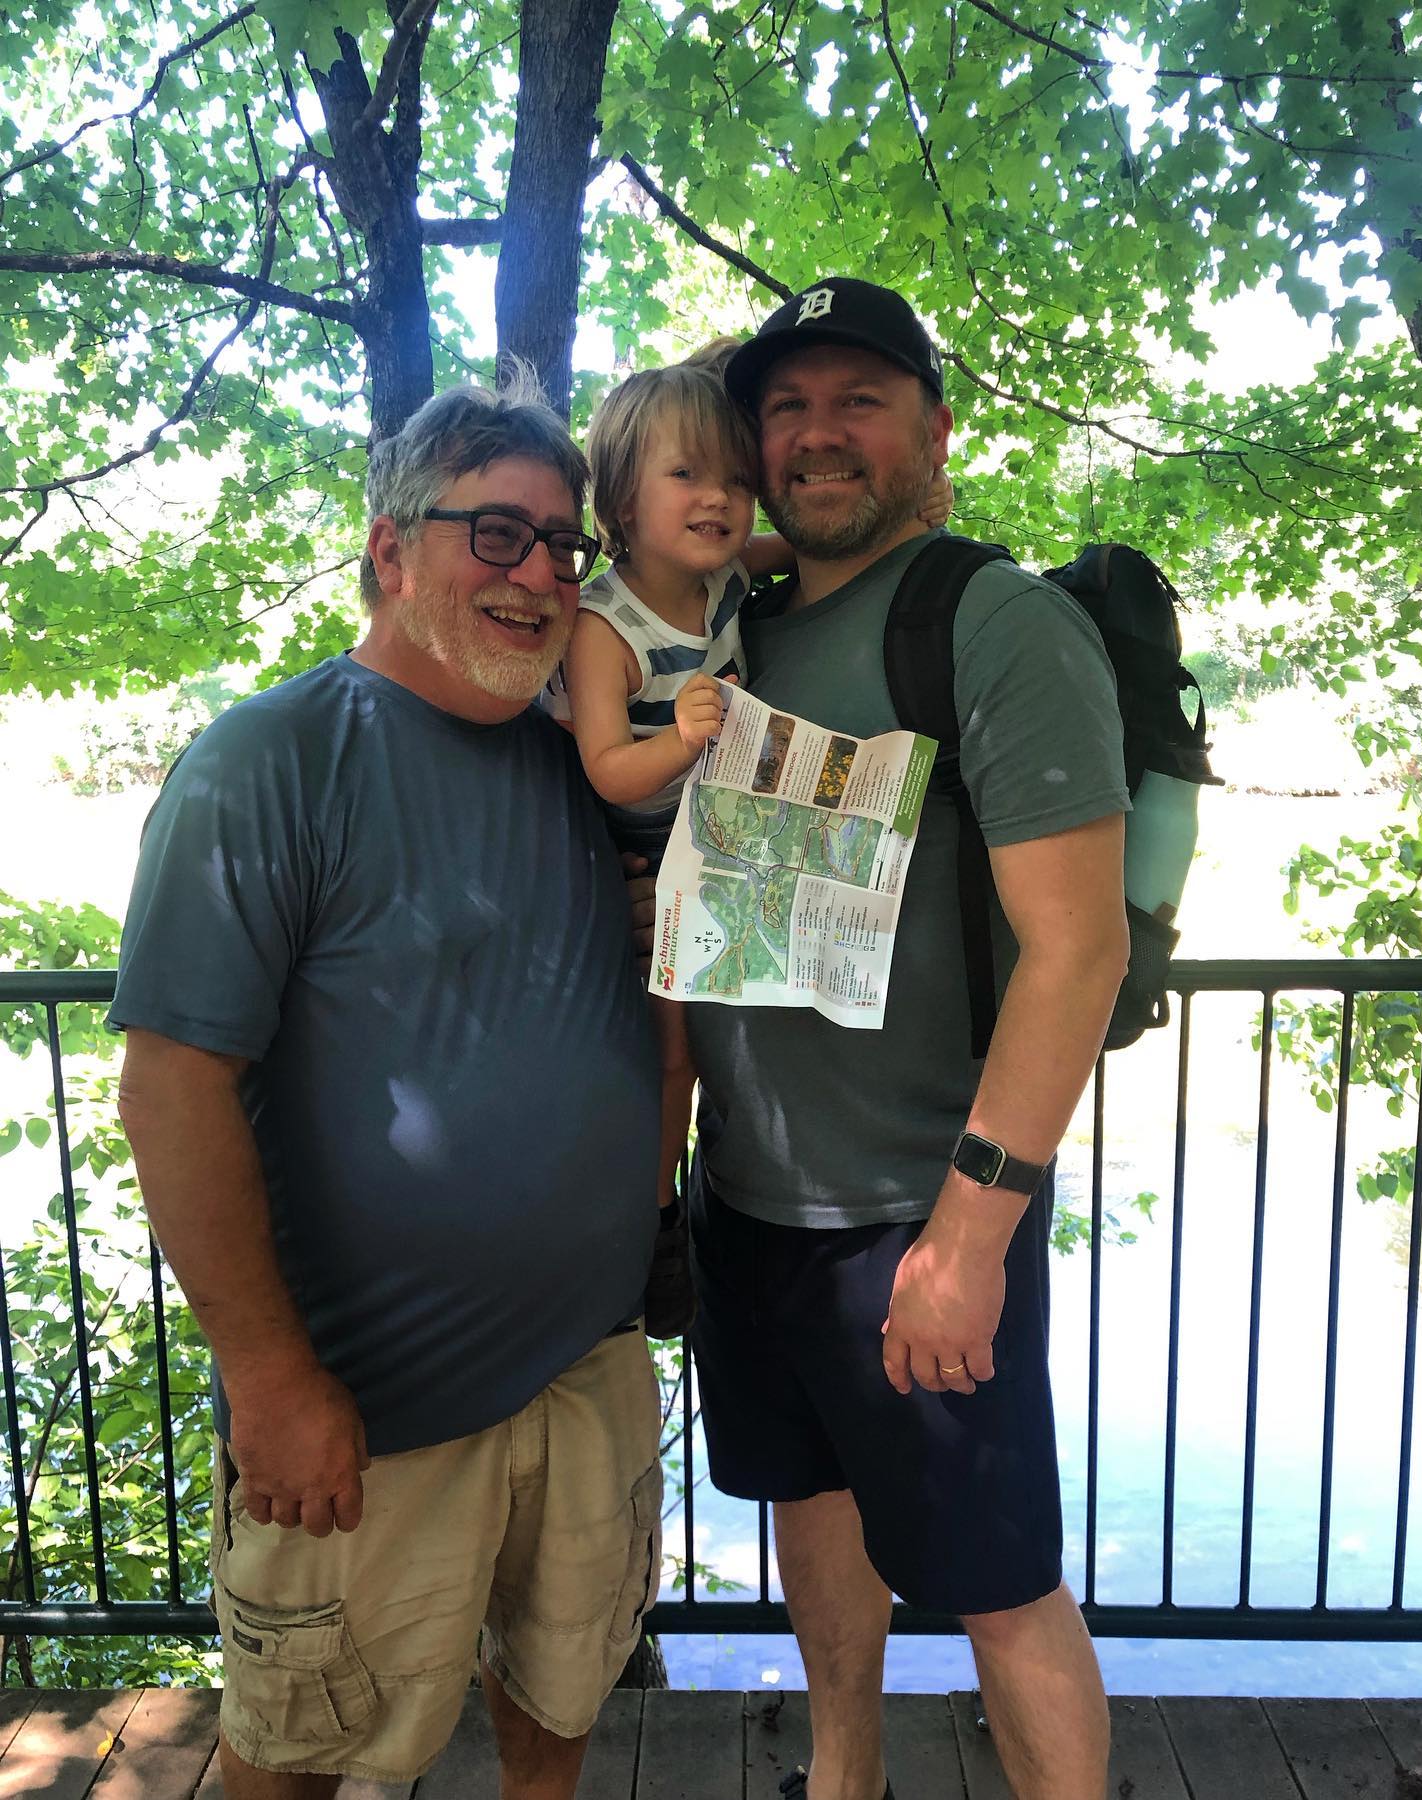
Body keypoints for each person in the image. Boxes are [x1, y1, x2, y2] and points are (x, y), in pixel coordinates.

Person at [110, 373, 664, 1800]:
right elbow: (172, 1088)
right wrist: (269, 1375)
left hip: (587, 1366)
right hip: (369, 1406)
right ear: (387, 551)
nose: (538, 573)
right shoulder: (268, 763)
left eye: (562, 546)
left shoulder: (574, 775)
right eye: (496, 533)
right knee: (295, 1757)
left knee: (558, 1712)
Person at [684, 278, 1133, 1800]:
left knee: (1000, 1582)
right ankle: (844, 1776)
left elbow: (1080, 946)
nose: (819, 435)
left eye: (859, 401)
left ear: (933, 433)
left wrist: (970, 1232)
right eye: (789, 407)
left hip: (922, 1213)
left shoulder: (993, 621)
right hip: (750, 1199)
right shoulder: (730, 619)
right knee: (807, 1503)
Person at [550, 345, 951, 1335]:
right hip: (640, 854)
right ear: (621, 503)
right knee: (666, 1053)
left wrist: (914, 522)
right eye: (687, 475)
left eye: (735, 478)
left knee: (700, 1048)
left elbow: (809, 554)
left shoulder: (728, 578)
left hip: (721, 845)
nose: (720, 500)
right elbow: (605, 766)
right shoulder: (605, 626)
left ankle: (679, 1205)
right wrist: (679, 741)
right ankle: (650, 1223)